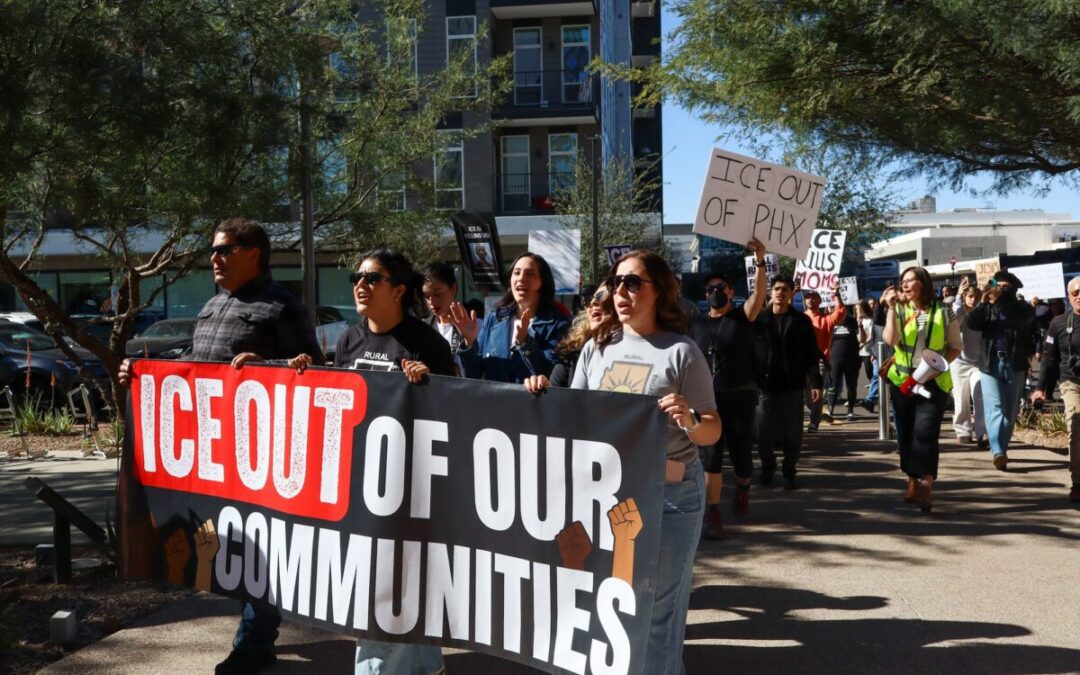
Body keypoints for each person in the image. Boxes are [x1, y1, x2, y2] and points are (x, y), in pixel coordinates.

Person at [119, 218, 324, 675]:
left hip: (263, 457)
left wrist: (267, 365)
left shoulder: (283, 306)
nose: (214, 258)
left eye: (224, 249)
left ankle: (254, 642)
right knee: (235, 547)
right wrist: (143, 371)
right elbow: (194, 363)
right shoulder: (213, 305)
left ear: (254, 254)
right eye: (213, 250)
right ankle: (254, 633)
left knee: (262, 548)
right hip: (217, 455)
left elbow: (312, 373)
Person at [537, 249, 719, 675]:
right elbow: (574, 417)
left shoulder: (682, 352)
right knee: (616, 602)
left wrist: (691, 419)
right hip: (609, 495)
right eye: (616, 282)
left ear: (659, 292)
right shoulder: (596, 348)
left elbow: (712, 430)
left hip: (671, 496)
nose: (620, 290)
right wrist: (540, 392)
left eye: (633, 282)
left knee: (657, 610)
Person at [291, 250, 453, 675]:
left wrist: (430, 386)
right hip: (360, 488)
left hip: (410, 492)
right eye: (356, 277)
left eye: (372, 278)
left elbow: (459, 410)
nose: (360, 285)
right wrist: (307, 375)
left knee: (386, 593)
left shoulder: (426, 342)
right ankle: (425, 666)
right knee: (390, 589)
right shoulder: (349, 340)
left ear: (398, 291)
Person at [689, 238, 767, 539]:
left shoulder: (742, 317)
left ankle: (743, 486)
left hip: (740, 397)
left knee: (741, 457)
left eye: (720, 287)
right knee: (710, 457)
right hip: (708, 401)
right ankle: (714, 514)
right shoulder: (696, 324)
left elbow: (759, 294)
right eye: (710, 289)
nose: (714, 292)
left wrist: (760, 260)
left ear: (731, 292)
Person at [881, 267, 961, 513]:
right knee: (905, 432)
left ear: (923, 283)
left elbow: (955, 346)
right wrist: (891, 308)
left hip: (933, 382)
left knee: (925, 431)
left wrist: (937, 368)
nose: (904, 285)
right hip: (903, 381)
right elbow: (890, 340)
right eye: (902, 281)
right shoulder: (899, 309)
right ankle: (912, 479)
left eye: (910, 280)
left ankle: (926, 484)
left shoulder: (944, 310)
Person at [451, 252, 570, 383]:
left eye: (530, 274)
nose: (521, 278)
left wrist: (526, 343)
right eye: (516, 273)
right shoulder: (493, 319)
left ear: (542, 282)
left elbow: (552, 376)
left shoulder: (558, 325)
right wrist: (469, 342)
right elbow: (472, 375)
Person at [753, 275, 824, 490]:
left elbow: (811, 354)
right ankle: (767, 467)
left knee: (793, 434)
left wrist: (816, 382)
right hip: (765, 387)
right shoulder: (759, 320)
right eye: (776, 288)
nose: (780, 293)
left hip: (792, 387)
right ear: (770, 292)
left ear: (792, 293)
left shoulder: (801, 321)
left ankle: (789, 471)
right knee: (762, 432)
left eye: (785, 289)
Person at [965, 270, 1037, 471]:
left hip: (1015, 364)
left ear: (1013, 289)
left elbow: (1021, 322)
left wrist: (1000, 301)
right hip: (990, 363)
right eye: (998, 287)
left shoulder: (1023, 308)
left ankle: (1001, 449)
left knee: (1010, 411)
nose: (1001, 291)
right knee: (996, 407)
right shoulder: (988, 307)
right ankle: (998, 451)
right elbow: (972, 323)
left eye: (1005, 288)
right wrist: (982, 302)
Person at [1029, 275, 1080, 503]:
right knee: (1076, 426)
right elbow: (1049, 358)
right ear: (1068, 297)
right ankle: (1078, 481)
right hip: (1071, 383)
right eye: (1075, 293)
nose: (1079, 296)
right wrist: (1040, 389)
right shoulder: (1058, 323)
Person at [543, 284, 612, 388]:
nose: (593, 303)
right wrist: (542, 386)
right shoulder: (573, 353)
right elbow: (555, 391)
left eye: (602, 298)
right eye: (589, 300)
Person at [950, 277, 987, 446]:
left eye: (976, 297)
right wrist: (958, 296)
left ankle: (982, 432)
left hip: (978, 363)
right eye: (970, 296)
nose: (973, 300)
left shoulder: (982, 313)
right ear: (965, 297)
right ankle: (963, 430)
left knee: (979, 395)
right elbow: (955, 315)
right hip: (959, 362)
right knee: (960, 399)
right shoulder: (959, 314)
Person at [802, 286, 846, 430]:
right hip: (800, 362)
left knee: (816, 394)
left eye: (814, 297)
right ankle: (819, 414)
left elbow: (840, 312)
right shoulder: (799, 318)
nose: (810, 299)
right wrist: (791, 295)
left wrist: (837, 293)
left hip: (819, 362)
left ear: (820, 301)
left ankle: (814, 422)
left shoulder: (825, 319)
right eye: (808, 297)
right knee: (805, 396)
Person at [420, 261, 465, 370]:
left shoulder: (473, 325)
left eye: (437, 294)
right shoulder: (422, 327)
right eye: (427, 296)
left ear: (454, 289)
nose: (432, 301)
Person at [827, 305, 863, 421]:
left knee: (851, 386)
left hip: (852, 359)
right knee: (833, 385)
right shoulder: (831, 321)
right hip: (835, 360)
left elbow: (861, 339)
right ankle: (830, 411)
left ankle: (850, 411)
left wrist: (860, 326)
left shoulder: (853, 321)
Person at [856, 300, 877, 413]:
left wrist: (863, 344)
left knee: (871, 375)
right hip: (858, 352)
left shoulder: (870, 321)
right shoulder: (856, 320)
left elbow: (871, 336)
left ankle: (871, 400)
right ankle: (870, 400)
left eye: (860, 309)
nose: (858, 311)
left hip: (867, 351)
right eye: (856, 309)